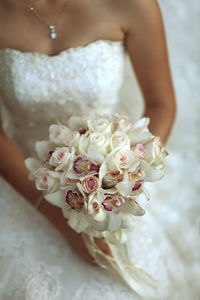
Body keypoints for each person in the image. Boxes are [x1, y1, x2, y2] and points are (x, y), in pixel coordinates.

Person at [0, 1, 199, 299]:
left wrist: (121, 181)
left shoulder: (133, 5)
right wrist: (59, 218)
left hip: (115, 181)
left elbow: (161, 105)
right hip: (22, 180)